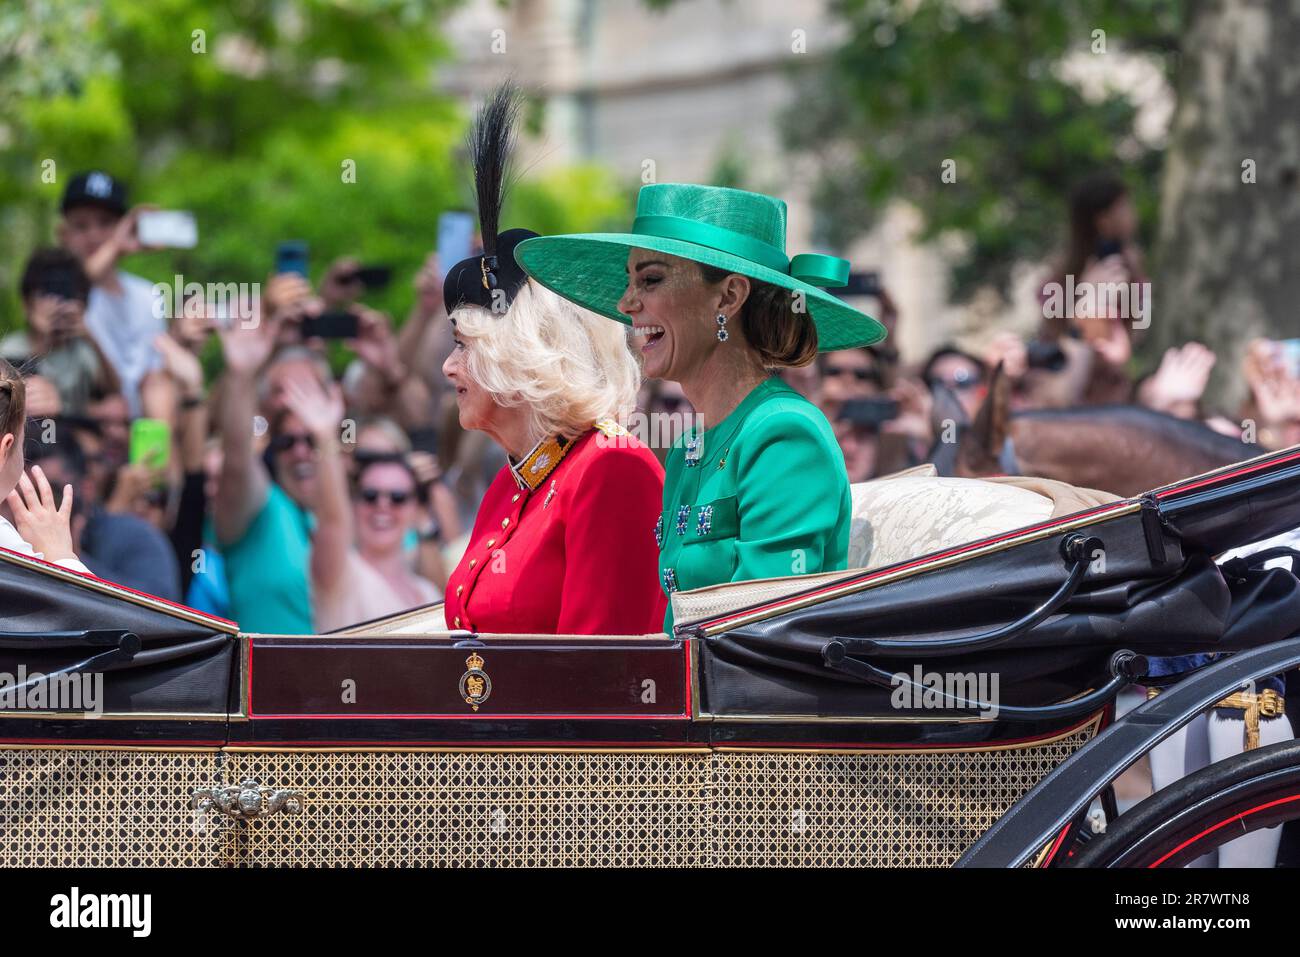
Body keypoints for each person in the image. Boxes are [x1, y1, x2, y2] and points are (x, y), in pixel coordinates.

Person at [516, 182, 887, 631]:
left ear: (728, 297)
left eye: (650, 280)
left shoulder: (786, 434)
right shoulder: (690, 445)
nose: (626, 303)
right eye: (630, 282)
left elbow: (761, 631)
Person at [440, 85, 666, 636]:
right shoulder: (512, 482)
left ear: (520, 357)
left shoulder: (613, 468)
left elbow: (602, 679)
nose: (449, 367)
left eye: (464, 346)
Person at [289, 373, 442, 631]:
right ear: (355, 504)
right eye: (370, 496)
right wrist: (325, 437)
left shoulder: (428, 592)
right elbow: (332, 521)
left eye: (398, 498)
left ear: (416, 510)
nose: (383, 505)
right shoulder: (342, 573)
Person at [56, 171, 168, 418]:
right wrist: (116, 246)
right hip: (80, 427)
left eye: (106, 222)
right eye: (81, 225)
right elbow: (73, 286)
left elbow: (154, 376)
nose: (94, 235)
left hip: (141, 426)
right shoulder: (57, 290)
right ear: (62, 234)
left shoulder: (149, 295)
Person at [0, 360, 90, 575]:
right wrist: (59, 555)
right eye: (24, 442)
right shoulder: (8, 545)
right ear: (6, 448)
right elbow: (97, 608)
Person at [3, 249, 120, 415]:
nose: (59, 305)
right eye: (48, 292)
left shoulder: (82, 351)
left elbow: (113, 393)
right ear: (26, 304)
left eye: (68, 294)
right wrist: (43, 341)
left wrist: (90, 336)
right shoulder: (10, 351)